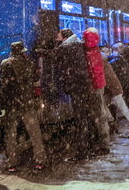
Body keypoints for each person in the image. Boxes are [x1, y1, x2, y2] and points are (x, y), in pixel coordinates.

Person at [1, 41, 48, 172]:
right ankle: (40, 160)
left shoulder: (5, 64)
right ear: (22, 51)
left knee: (11, 134)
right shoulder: (29, 63)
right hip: (27, 102)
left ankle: (12, 163)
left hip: (12, 104)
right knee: (35, 133)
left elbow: (4, 85)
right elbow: (34, 79)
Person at [53, 28, 95, 161]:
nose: (57, 38)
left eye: (59, 36)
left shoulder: (68, 46)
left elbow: (54, 54)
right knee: (84, 116)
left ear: (65, 36)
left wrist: (40, 51)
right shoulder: (77, 44)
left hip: (77, 87)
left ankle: (82, 152)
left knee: (80, 118)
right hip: (82, 86)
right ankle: (89, 146)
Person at [101, 48, 129, 138]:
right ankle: (116, 124)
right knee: (111, 108)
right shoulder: (108, 63)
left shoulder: (106, 63)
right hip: (114, 89)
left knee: (123, 109)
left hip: (114, 90)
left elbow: (107, 79)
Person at [82, 28, 111, 152]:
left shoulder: (90, 52)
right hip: (99, 85)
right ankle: (102, 141)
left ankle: (103, 144)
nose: (83, 41)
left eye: (84, 39)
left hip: (95, 86)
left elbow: (93, 70)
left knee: (99, 114)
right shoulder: (95, 50)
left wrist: (90, 84)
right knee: (99, 113)